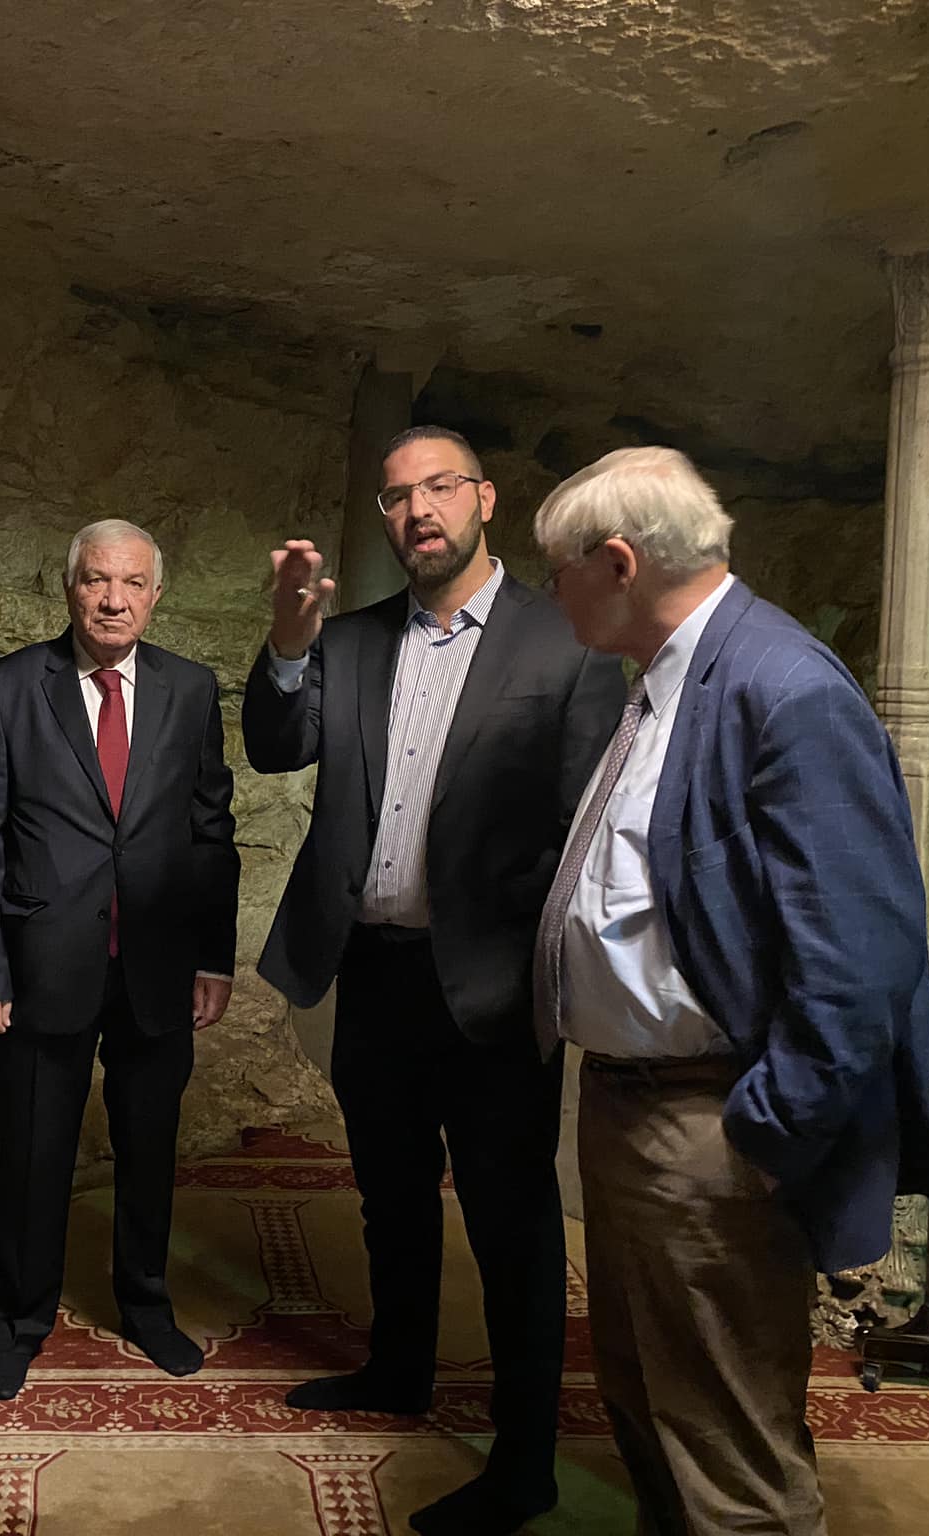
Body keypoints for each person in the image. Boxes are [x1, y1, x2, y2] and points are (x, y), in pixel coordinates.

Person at [530, 445, 929, 1536]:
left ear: (618, 563)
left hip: (708, 1123)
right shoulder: (673, 676)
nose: (552, 592)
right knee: (649, 1404)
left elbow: (862, 964)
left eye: (558, 568)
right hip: (637, 1106)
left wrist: (762, 1135)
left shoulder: (782, 687)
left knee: (726, 1456)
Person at [244, 425, 626, 1536]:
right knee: (391, 1194)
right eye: (398, 495)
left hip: (492, 991)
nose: (419, 509)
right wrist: (288, 638)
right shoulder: (352, 638)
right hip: (373, 971)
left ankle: (524, 1459)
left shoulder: (564, 642)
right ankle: (398, 1369)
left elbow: (586, 829)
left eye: (440, 487)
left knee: (513, 1224)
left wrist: (553, 982)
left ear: (484, 500)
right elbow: (274, 745)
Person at [0, 519, 240, 1400]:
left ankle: (147, 1309)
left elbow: (211, 833)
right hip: (42, 967)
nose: (114, 600)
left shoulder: (191, 689)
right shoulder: (9, 687)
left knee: (149, 1151)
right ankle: (19, 1322)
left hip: (158, 968)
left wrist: (214, 958)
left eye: (132, 584)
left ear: (156, 595)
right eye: (97, 581)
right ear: (69, 587)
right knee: (34, 1155)